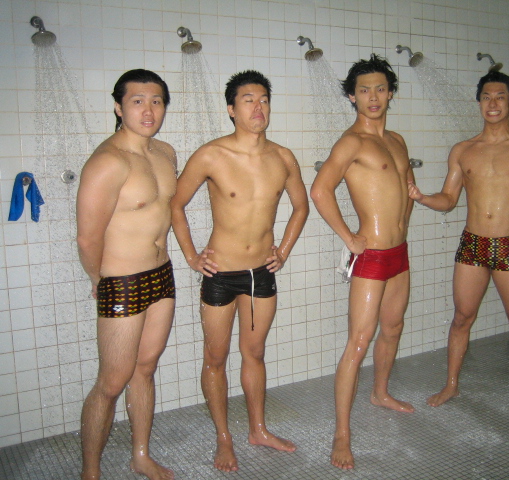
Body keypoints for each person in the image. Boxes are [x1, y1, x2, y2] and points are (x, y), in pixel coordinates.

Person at [408, 70, 509, 421]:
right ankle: (451, 384)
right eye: (486, 97)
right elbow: (448, 199)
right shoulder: (463, 151)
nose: (492, 103)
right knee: (461, 318)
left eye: (500, 97)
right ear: (479, 102)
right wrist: (422, 198)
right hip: (473, 244)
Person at [170, 70, 308, 472]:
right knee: (216, 357)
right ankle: (223, 437)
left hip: (260, 274)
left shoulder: (283, 157)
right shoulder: (211, 155)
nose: (258, 107)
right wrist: (192, 256)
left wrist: (283, 251)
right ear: (231, 109)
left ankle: (258, 429)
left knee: (255, 353)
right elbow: (175, 204)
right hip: (220, 275)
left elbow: (301, 207)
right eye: (248, 100)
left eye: (263, 99)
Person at [310, 54, 415, 470]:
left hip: (399, 253)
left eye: (380, 89)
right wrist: (349, 237)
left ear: (390, 94)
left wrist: (403, 223)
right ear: (352, 97)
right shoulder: (352, 142)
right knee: (358, 341)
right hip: (371, 256)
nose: (373, 97)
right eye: (364, 90)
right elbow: (320, 190)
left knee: (393, 327)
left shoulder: (398, 141)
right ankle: (342, 433)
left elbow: (407, 189)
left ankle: (380, 392)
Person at [76, 69, 176, 480]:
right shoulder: (108, 162)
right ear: (119, 107)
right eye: (137, 101)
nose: (148, 111)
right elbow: (87, 237)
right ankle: (91, 471)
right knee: (112, 381)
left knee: (145, 368)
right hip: (123, 281)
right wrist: (98, 280)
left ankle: (140, 455)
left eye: (156, 101)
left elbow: (168, 212)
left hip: (161, 275)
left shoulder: (165, 153)